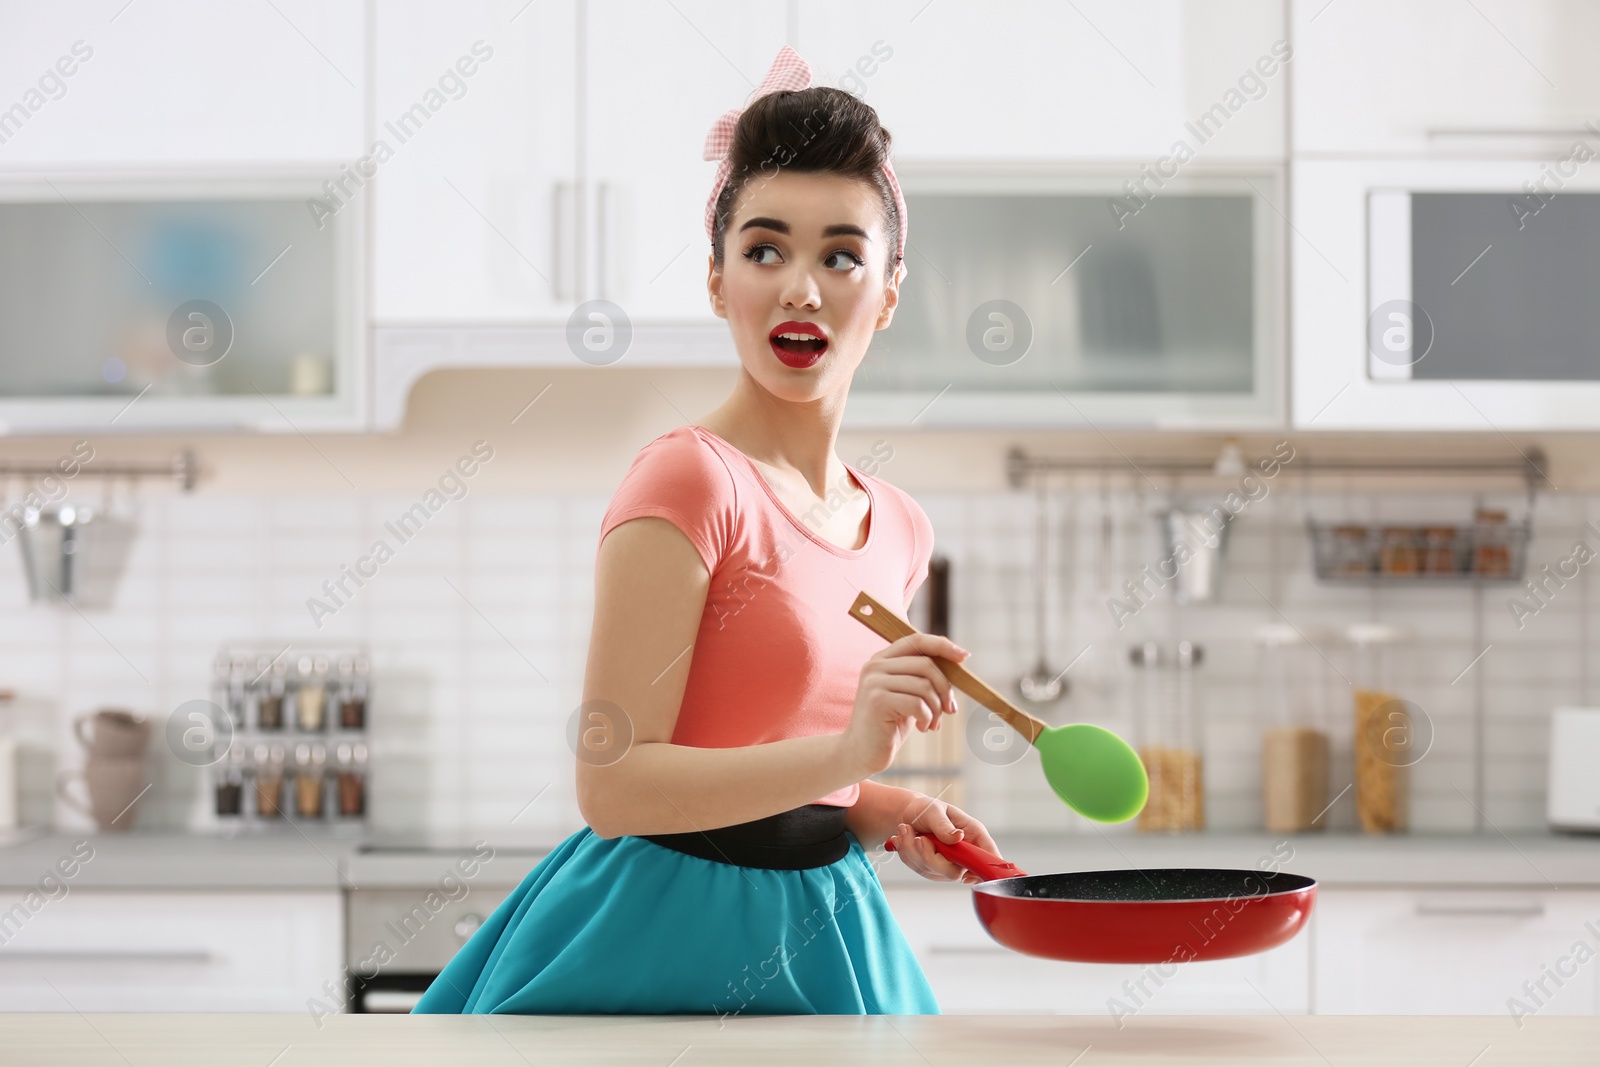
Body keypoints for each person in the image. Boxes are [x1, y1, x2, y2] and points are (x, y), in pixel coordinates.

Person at [411, 44, 998, 1017]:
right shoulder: (690, 479)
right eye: (764, 249)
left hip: (824, 924)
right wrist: (854, 757)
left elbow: (780, 763)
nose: (799, 288)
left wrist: (878, 813)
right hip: (657, 932)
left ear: (889, 290)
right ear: (718, 280)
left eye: (839, 255)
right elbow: (614, 785)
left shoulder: (897, 525)